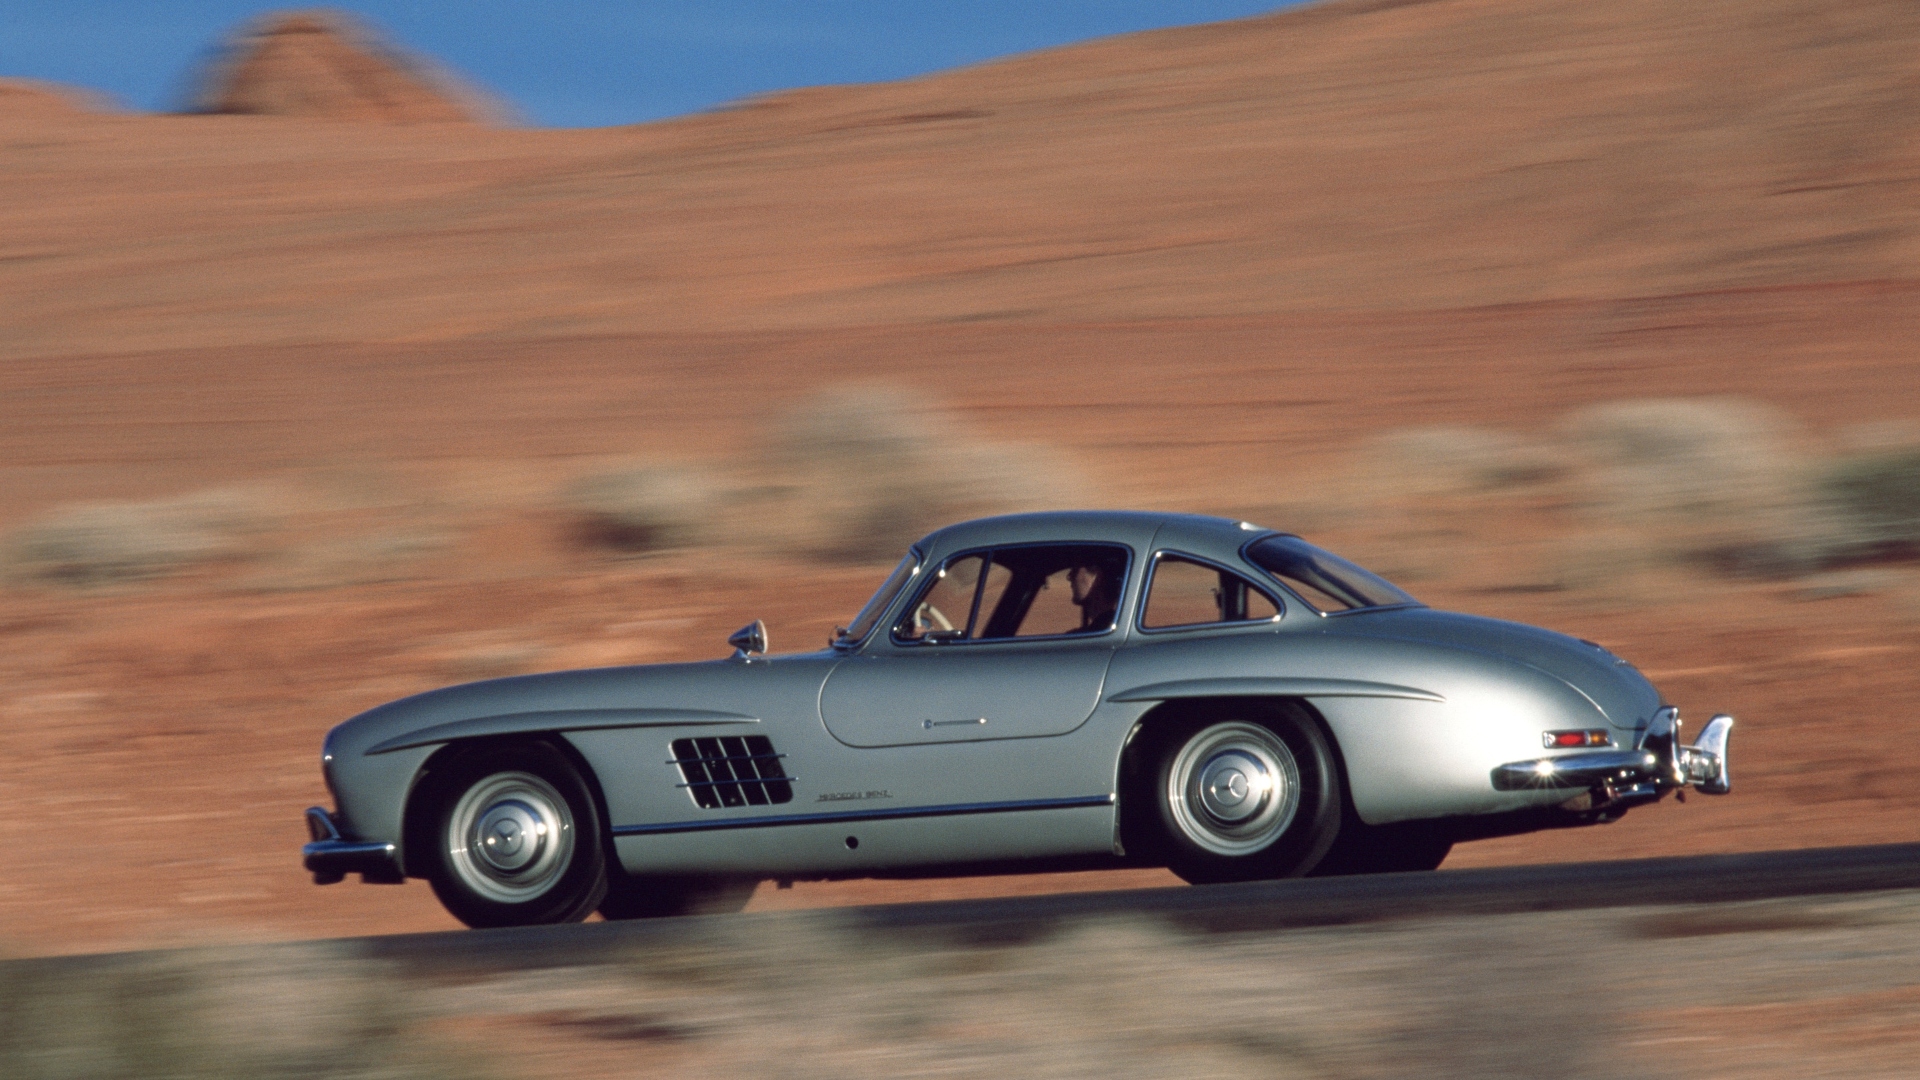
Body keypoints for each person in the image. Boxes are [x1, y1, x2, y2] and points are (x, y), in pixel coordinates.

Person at [1067, 560, 1120, 632]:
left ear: (1097, 577)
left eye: (1075, 571)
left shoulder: (1106, 630)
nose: (1069, 577)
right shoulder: (1115, 625)